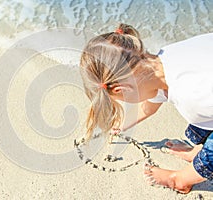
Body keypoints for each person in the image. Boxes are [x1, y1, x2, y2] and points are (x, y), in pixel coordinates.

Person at [79, 23, 213, 194]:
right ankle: (197, 152)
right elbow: (150, 104)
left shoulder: (193, 94)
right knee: (202, 118)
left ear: (122, 90)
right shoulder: (160, 62)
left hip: (204, 98)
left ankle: (180, 180)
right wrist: (123, 125)